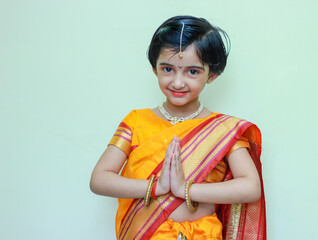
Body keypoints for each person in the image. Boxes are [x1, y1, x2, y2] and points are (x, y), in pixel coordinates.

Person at [90, 15, 266, 240]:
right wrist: (155, 188)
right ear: (155, 69)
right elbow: (99, 179)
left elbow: (251, 187)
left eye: (192, 71)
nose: (178, 82)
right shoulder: (136, 121)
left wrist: (185, 189)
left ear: (212, 74)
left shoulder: (222, 129)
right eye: (167, 69)